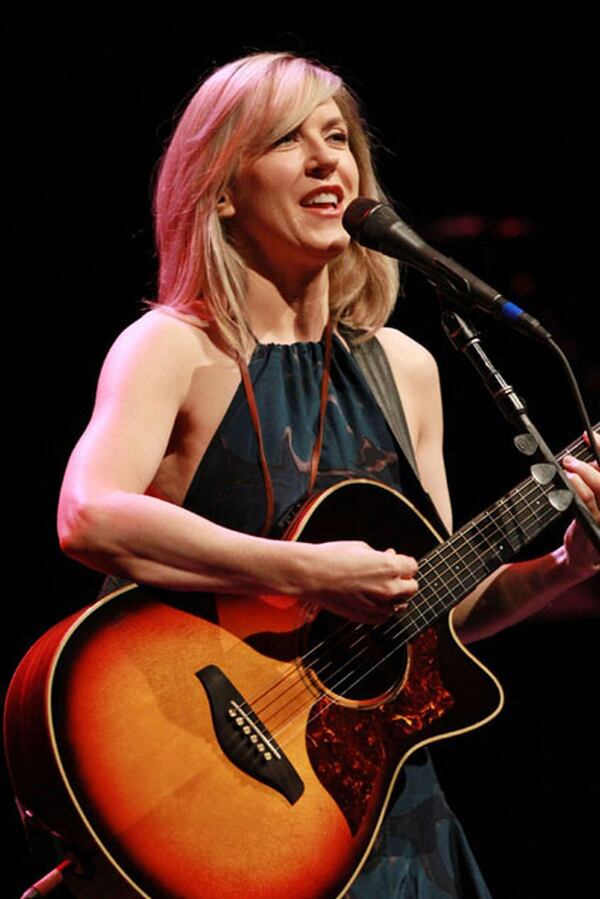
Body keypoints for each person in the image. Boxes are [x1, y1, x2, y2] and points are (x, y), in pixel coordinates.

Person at [57, 52, 599, 898]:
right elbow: (89, 515)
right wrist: (307, 572)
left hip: (389, 821)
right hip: (217, 792)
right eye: (287, 140)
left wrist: (566, 565)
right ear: (222, 190)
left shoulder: (405, 368)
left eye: (338, 138)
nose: (325, 161)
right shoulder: (174, 347)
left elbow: (436, 612)